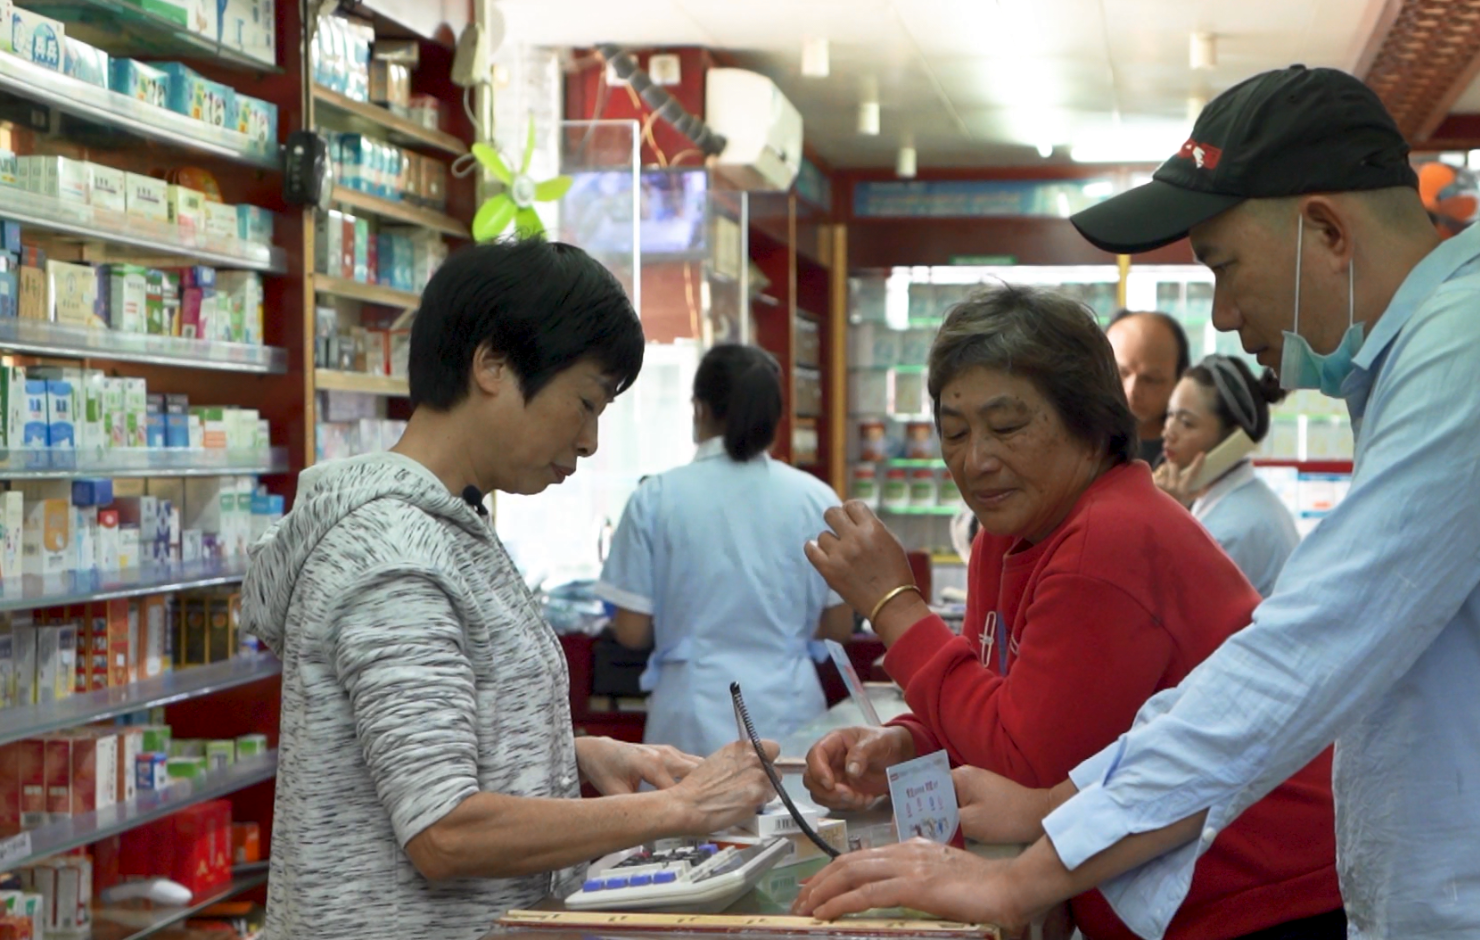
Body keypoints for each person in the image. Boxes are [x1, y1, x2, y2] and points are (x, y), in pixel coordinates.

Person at [791, 66, 1480, 939]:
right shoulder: (1438, 357)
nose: (1225, 316)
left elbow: (1300, 657)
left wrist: (1023, 871)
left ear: (1327, 231)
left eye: (1226, 266)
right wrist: (1054, 812)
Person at [241, 239, 779, 940]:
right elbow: (445, 831)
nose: (589, 441)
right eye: (584, 403)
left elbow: (425, 744)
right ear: (492, 364)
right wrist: (678, 809)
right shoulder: (396, 555)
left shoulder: (452, 524)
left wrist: (572, 751)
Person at [800, 286, 1342, 940]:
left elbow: (1026, 764)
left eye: (1006, 427)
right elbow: (999, 698)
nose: (976, 460)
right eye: (954, 432)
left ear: (1089, 423)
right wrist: (910, 741)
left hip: (1258, 899)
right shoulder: (1010, 529)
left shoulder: (1105, 535)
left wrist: (893, 604)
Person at [597, 343, 854, 756]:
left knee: (693, 819)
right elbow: (839, 625)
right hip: (790, 710)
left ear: (699, 409)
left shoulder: (658, 496)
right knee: (794, 818)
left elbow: (631, 629)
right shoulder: (815, 497)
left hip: (690, 713)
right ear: (775, 417)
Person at [1152, 355, 1299, 595]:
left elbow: (1165, 607)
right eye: (1170, 415)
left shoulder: (1229, 534)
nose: (1168, 432)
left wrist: (1162, 519)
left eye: (1187, 423)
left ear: (1232, 440)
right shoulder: (1242, 498)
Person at [1106, 309, 1190, 465]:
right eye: (1120, 373)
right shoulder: (1073, 445)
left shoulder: (1191, 453)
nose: (1131, 390)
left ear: (1179, 380)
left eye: (1151, 379)